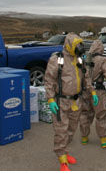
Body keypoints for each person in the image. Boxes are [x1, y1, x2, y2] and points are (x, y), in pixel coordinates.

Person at [44, 32, 98, 171]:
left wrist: (92, 91)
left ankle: (65, 151)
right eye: (76, 45)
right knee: (61, 131)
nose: (78, 48)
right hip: (61, 102)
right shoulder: (57, 59)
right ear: (69, 45)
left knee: (71, 130)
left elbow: (86, 78)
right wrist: (50, 99)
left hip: (76, 101)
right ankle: (62, 158)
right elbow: (49, 80)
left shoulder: (79, 60)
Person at [79, 40, 106, 148]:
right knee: (102, 115)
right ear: (101, 49)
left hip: (85, 90)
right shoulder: (102, 60)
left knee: (85, 114)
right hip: (98, 91)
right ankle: (105, 139)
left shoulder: (85, 59)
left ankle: (84, 137)